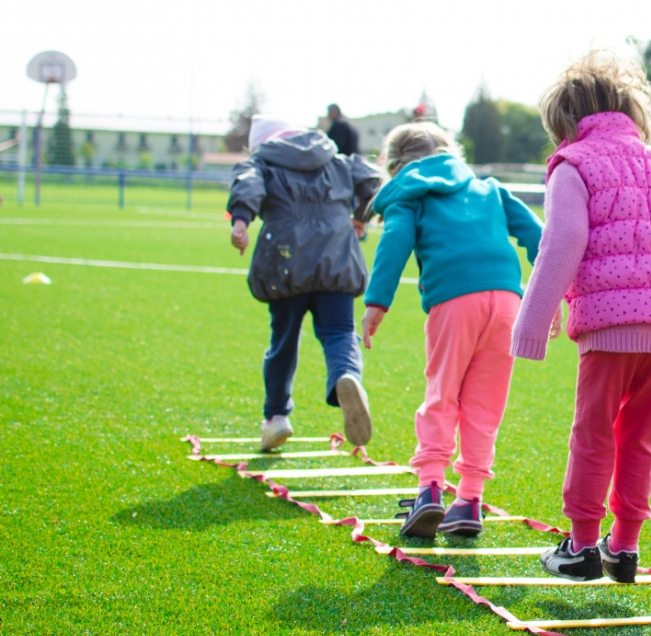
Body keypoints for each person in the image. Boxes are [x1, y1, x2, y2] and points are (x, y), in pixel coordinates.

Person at [511, 49, 651, 583]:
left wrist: (532, 321)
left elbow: (565, 240)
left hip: (611, 324)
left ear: (566, 122)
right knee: (638, 436)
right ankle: (623, 546)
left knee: (593, 432)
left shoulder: (573, 164)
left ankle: (579, 546)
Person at [361, 122, 543, 539]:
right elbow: (539, 236)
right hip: (507, 303)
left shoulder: (410, 194)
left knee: (442, 393)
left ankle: (429, 490)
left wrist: (377, 301)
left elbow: (395, 240)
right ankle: (469, 501)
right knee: (485, 404)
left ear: (394, 166)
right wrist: (553, 293)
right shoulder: (490, 188)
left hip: (455, 300)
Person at [227, 116, 382, 452]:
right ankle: (348, 376)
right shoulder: (334, 157)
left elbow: (247, 183)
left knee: (283, 339)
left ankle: (276, 417)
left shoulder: (263, 161)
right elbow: (371, 180)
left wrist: (241, 220)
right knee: (340, 332)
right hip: (338, 256)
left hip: (285, 259)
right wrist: (360, 216)